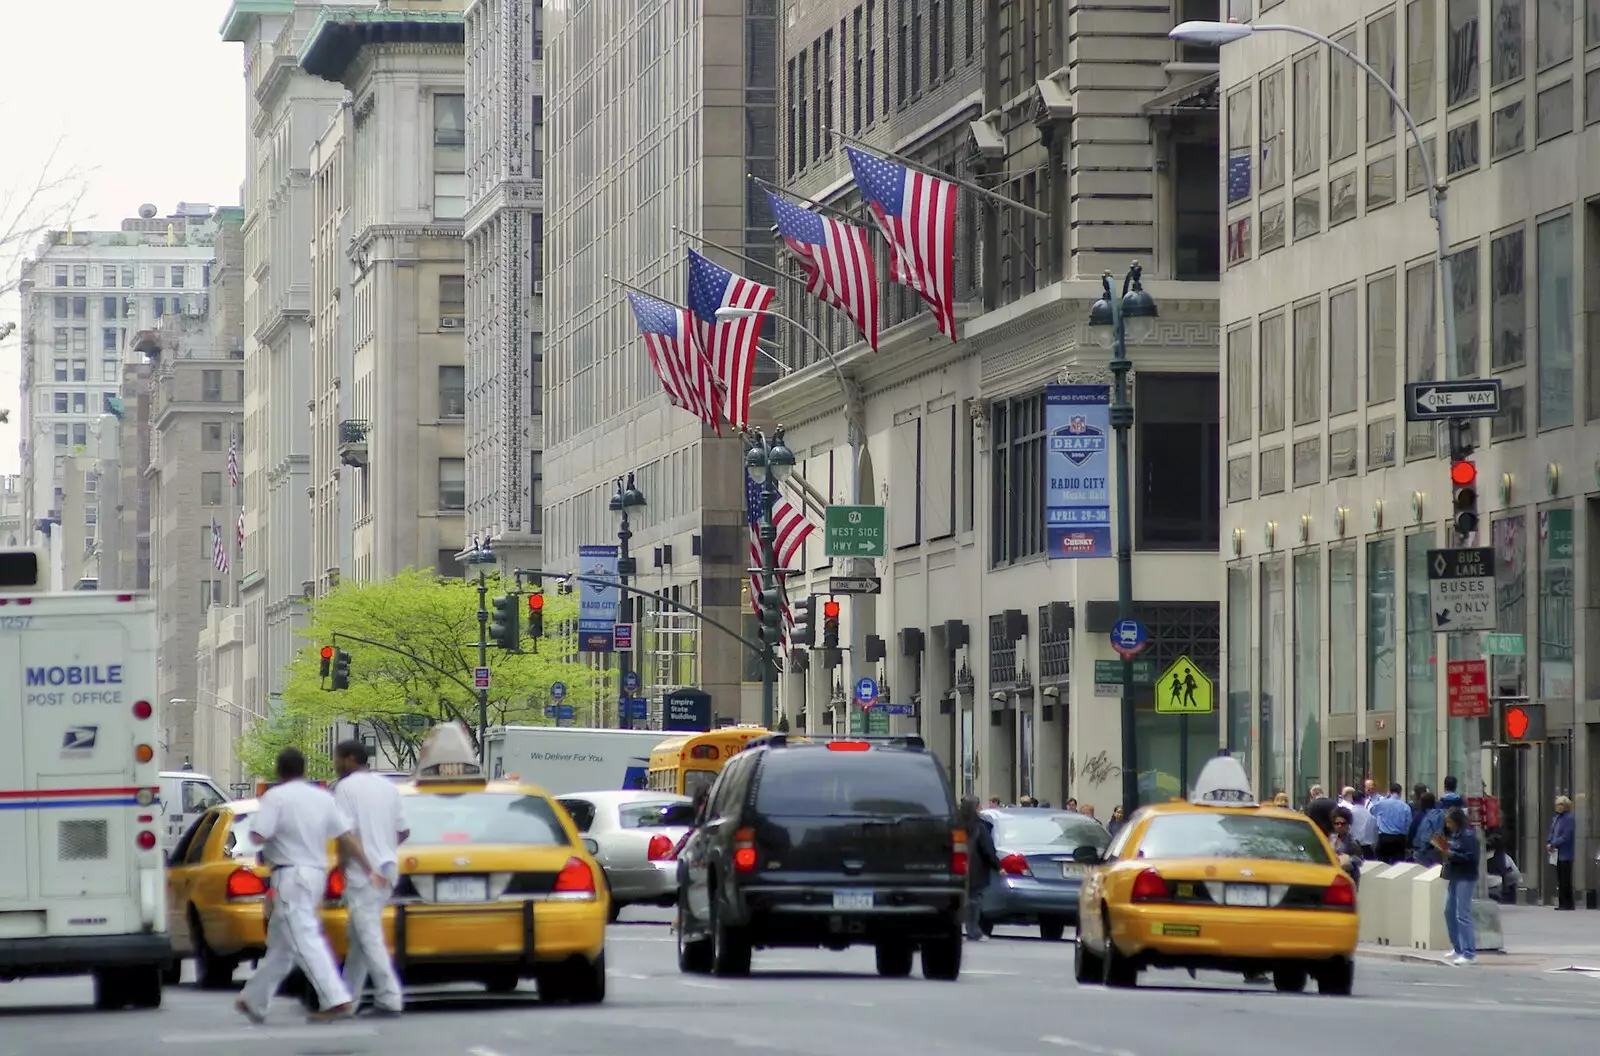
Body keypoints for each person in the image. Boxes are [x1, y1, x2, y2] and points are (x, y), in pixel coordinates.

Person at [236, 747, 387, 1024]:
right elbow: (347, 837)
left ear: (280, 771)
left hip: (289, 874)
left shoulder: (275, 797)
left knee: (305, 937)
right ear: (303, 769)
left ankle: (336, 997)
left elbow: (258, 836)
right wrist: (370, 868)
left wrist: (268, 835)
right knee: (282, 947)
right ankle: (254, 999)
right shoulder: (322, 798)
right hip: (315, 874)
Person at [333, 740, 408, 1017]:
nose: (335, 764)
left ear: (350, 759)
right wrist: (384, 849)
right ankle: (347, 999)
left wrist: (360, 865)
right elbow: (404, 831)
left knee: (368, 935)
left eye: (337, 759)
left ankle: (390, 997)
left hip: (366, 874)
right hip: (388, 867)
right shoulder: (388, 787)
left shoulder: (345, 788)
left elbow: (345, 835)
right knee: (359, 935)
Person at [1433, 806, 1478, 965]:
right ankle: (1458, 947)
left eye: (1450, 822)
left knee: (1462, 914)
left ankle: (1468, 952)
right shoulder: (1456, 835)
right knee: (1448, 911)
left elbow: (1471, 858)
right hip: (1455, 875)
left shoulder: (1467, 835)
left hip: (1465, 876)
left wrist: (1452, 854)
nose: (1448, 825)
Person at [958, 796, 1000, 941]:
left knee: (962, 900)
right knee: (974, 900)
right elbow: (987, 849)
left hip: (957, 867)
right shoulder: (979, 827)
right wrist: (996, 865)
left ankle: (964, 929)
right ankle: (973, 930)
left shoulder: (955, 825)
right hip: (975, 869)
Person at [1371, 782, 1413, 864]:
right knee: (1397, 866)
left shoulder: (1382, 803)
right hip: (1399, 839)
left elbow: (1372, 811)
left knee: (1382, 864)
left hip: (1384, 837)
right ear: (1400, 792)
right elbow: (1408, 824)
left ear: (1389, 792)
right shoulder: (1405, 806)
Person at [1547, 795, 1576, 911]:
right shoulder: (1556, 818)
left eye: (1561, 805)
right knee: (1560, 878)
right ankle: (1562, 903)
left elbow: (1566, 836)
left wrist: (1554, 843)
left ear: (1566, 806)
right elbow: (1552, 832)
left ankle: (1567, 903)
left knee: (1565, 879)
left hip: (1565, 852)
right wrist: (1549, 842)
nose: (1559, 807)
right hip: (1556, 852)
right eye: (1557, 805)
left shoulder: (1568, 818)